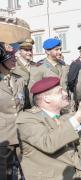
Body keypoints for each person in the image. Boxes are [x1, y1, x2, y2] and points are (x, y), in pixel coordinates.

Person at [16, 77, 81, 180]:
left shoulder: (66, 115)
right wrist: (80, 115)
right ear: (47, 98)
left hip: (77, 169)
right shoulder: (27, 119)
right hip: (52, 175)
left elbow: (80, 141)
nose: (66, 94)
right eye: (61, 92)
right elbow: (48, 143)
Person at [0, 42, 25, 180]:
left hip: (21, 134)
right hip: (2, 138)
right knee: (4, 174)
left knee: (24, 172)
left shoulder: (19, 80)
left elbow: (23, 105)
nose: (15, 59)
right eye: (10, 56)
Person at [12, 38, 37, 109]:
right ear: (19, 51)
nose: (29, 53)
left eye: (30, 50)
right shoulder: (13, 66)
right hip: (21, 107)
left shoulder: (36, 65)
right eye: (26, 50)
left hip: (35, 106)